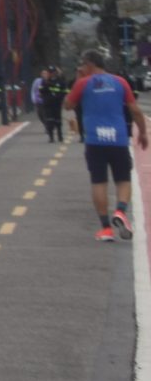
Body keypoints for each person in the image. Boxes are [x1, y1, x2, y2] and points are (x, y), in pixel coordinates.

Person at [70, 48, 148, 242]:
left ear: (89, 64)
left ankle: (105, 228)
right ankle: (120, 211)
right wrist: (143, 133)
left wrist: (77, 79)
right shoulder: (120, 82)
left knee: (99, 182)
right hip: (118, 139)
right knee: (123, 179)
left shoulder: (83, 83)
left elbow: (68, 105)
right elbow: (135, 110)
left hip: (95, 140)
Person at [40, 64, 71, 144]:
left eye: (53, 72)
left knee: (58, 120)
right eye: (50, 72)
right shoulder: (45, 81)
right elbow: (41, 90)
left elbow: (65, 91)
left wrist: (60, 97)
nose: (52, 74)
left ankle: (60, 135)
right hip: (48, 103)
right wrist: (47, 84)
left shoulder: (60, 81)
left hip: (57, 103)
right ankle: (51, 137)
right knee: (49, 120)